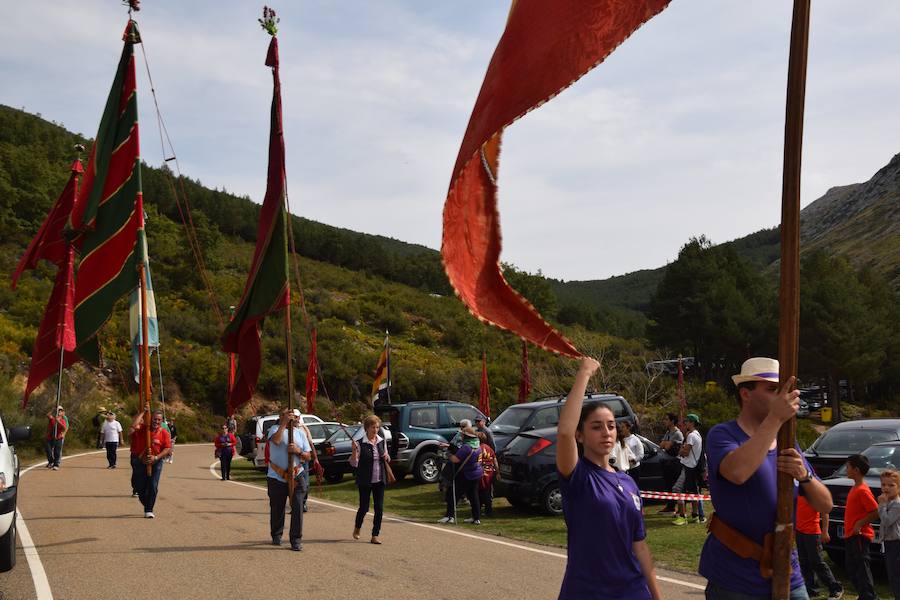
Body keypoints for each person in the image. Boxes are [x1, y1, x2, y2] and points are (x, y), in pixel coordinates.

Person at [698, 357, 833, 599]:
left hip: (785, 569)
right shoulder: (724, 435)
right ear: (746, 394)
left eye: (782, 390)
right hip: (735, 578)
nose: (780, 396)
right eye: (772, 389)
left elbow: (825, 504)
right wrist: (775, 419)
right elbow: (738, 472)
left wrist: (803, 476)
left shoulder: (787, 440)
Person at [556, 357, 662, 600]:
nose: (606, 432)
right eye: (596, 427)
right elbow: (564, 433)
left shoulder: (629, 483)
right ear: (580, 436)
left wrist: (657, 596)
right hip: (588, 591)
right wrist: (584, 373)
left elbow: (640, 545)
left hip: (632, 591)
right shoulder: (578, 476)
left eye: (611, 426)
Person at [266, 408, 311, 551]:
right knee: (277, 508)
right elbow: (277, 441)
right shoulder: (274, 429)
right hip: (276, 476)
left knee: (298, 507)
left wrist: (298, 451)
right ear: (281, 416)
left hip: (297, 475)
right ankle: (276, 534)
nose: (291, 417)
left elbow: (308, 455)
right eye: (287, 414)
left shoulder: (300, 433)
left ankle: (296, 540)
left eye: (292, 415)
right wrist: (284, 423)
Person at [349, 415, 391, 544]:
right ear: (367, 428)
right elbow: (354, 464)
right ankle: (357, 528)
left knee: (379, 508)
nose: (376, 430)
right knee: (364, 507)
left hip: (379, 479)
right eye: (373, 427)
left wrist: (386, 456)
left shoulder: (381, 441)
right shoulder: (360, 443)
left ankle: (375, 535)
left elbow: (387, 457)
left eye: (377, 427)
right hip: (365, 480)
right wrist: (354, 452)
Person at [842, 454, 879, 600]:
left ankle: (869, 596)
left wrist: (859, 524)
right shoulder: (856, 488)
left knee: (861, 568)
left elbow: (875, 512)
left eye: (848, 467)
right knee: (851, 569)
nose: (846, 469)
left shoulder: (862, 490)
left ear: (856, 470)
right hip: (850, 535)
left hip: (859, 535)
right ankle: (864, 594)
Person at [794, 495, 843, 599]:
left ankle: (835, 587)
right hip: (800, 531)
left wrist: (825, 531)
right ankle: (812, 589)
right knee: (804, 562)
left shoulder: (813, 492)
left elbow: (825, 512)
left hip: (812, 533)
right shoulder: (797, 491)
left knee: (817, 562)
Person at [129, 409, 173, 519]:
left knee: (153, 485)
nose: (156, 422)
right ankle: (147, 503)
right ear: (150, 418)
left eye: (159, 420)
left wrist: (156, 457)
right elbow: (133, 427)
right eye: (154, 419)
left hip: (156, 461)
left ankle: (149, 509)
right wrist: (143, 412)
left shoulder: (164, 433)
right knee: (139, 486)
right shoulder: (143, 428)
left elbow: (167, 448)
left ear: (162, 421)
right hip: (141, 461)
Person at [439, 426, 483, 525]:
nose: (461, 436)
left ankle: (450, 516)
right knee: (473, 496)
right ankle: (476, 518)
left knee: (452, 495)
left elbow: (456, 459)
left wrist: (448, 454)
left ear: (466, 436)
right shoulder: (478, 445)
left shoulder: (466, 447)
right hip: (476, 474)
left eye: (463, 434)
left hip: (466, 474)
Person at [673, 414, 704, 525]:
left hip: (688, 467)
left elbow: (685, 453)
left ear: (691, 423)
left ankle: (682, 517)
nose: (685, 423)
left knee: (677, 489)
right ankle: (695, 516)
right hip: (694, 467)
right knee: (693, 492)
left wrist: (681, 449)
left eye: (686, 421)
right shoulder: (698, 435)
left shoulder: (691, 436)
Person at [877, 469, 900, 600]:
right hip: (889, 543)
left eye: (891, 485)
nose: (886, 488)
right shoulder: (889, 503)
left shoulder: (897, 504)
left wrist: (882, 505)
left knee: (896, 576)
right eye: (883, 485)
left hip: (896, 544)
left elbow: (886, 521)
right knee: (892, 575)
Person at [658, 412, 684, 513]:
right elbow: (661, 445)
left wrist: (667, 444)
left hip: (675, 463)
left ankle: (680, 509)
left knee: (675, 486)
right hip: (667, 462)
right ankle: (670, 506)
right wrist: (666, 444)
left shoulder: (677, 433)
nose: (664, 421)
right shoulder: (668, 432)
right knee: (668, 486)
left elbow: (667, 447)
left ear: (672, 421)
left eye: (666, 419)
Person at [476, 431, 499, 517]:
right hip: (490, 473)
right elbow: (495, 460)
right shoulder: (489, 448)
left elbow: (477, 461)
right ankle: (488, 510)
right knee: (488, 491)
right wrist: (497, 472)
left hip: (481, 473)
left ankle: (479, 509)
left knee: (479, 492)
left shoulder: (478, 449)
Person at [621, 420, 644, 489]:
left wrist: (633, 461)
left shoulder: (635, 439)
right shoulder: (621, 440)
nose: (621, 428)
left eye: (623, 427)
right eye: (621, 427)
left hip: (634, 469)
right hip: (624, 469)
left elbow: (641, 454)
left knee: (634, 487)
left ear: (628, 428)